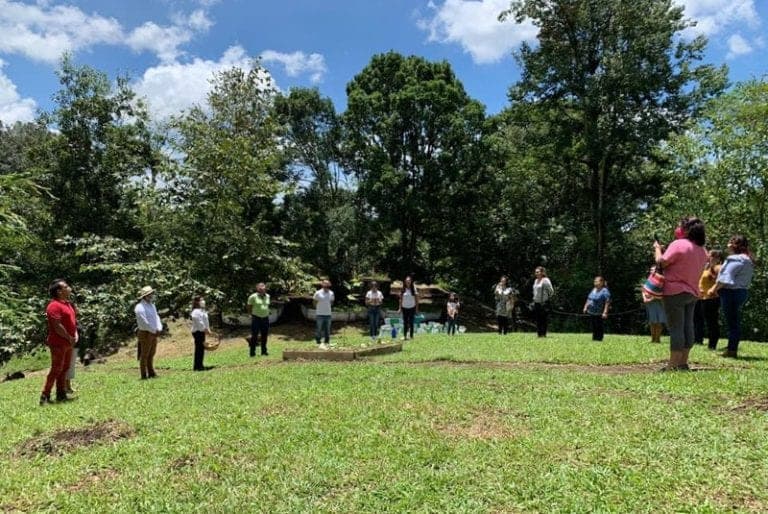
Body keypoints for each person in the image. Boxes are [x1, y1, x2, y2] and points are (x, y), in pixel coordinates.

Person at [653, 217, 708, 371]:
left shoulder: (678, 244)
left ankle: (672, 365)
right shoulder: (702, 250)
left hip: (674, 292)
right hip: (692, 293)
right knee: (687, 327)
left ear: (685, 229)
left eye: (679, 225)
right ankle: (683, 362)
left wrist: (657, 249)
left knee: (676, 327)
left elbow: (661, 262)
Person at [709, 235, 754, 358]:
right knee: (734, 321)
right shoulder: (748, 259)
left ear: (734, 245)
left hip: (731, 293)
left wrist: (713, 289)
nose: (727, 244)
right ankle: (731, 348)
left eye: (730, 242)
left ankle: (731, 350)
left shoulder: (734, 259)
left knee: (732, 322)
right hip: (742, 292)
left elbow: (725, 278)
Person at [40, 279, 77, 405]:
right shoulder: (53, 306)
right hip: (58, 343)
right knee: (56, 369)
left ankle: (61, 394)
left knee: (65, 368)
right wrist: (68, 337)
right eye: (66, 286)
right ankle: (45, 395)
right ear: (59, 291)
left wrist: (75, 334)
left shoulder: (68, 304)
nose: (69, 288)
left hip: (68, 343)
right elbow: (57, 326)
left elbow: (72, 322)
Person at [694, 249, 723, 349]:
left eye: (709, 255)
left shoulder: (718, 267)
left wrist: (713, 290)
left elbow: (721, 280)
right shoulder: (707, 267)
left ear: (716, 257)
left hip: (712, 298)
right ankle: (699, 339)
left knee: (712, 322)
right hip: (702, 298)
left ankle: (712, 345)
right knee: (702, 320)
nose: (707, 256)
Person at [135, 286, 163, 380]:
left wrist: (159, 327)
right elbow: (143, 322)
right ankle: (144, 374)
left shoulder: (152, 305)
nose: (151, 296)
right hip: (145, 333)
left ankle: (151, 372)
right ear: (145, 296)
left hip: (153, 332)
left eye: (151, 294)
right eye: (149, 294)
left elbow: (156, 317)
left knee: (152, 353)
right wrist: (153, 330)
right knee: (145, 354)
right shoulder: (139, 307)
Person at [642, 265, 666, 343]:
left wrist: (652, 297)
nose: (652, 271)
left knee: (659, 322)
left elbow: (663, 294)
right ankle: (653, 339)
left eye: (654, 269)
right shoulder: (651, 278)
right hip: (650, 303)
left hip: (659, 303)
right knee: (652, 322)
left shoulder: (664, 279)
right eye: (651, 269)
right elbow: (644, 288)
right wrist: (645, 298)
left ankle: (658, 339)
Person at [583, 276, 611, 341]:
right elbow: (589, 299)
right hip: (591, 311)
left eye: (596, 281)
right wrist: (585, 307)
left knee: (599, 326)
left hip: (599, 312)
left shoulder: (605, 291)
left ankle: (599, 339)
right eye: (594, 281)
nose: (595, 282)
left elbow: (607, 301)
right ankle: (594, 338)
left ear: (601, 282)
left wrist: (605, 312)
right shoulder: (593, 289)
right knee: (594, 326)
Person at [191, 295, 214, 371]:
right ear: (197, 302)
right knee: (199, 349)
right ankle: (197, 366)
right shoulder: (195, 311)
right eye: (201, 300)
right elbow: (198, 321)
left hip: (201, 331)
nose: (203, 301)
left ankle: (200, 365)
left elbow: (205, 321)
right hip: (198, 332)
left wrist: (208, 329)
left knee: (201, 348)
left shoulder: (202, 310)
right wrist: (205, 329)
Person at [247, 282, 270, 356]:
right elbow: (249, 307)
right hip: (256, 318)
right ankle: (252, 352)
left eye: (263, 289)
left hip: (265, 318)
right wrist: (251, 315)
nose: (262, 290)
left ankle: (264, 351)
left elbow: (267, 306)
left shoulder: (268, 296)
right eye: (260, 289)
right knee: (254, 335)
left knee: (264, 335)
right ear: (257, 289)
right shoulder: (253, 297)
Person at [532, 267, 554, 337]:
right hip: (536, 303)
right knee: (538, 319)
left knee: (543, 319)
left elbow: (551, 291)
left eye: (538, 272)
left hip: (543, 303)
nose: (536, 273)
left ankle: (543, 334)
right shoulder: (535, 281)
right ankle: (539, 334)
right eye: (536, 272)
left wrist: (546, 298)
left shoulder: (545, 280)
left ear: (542, 273)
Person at [313, 279, 335, 349]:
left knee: (327, 329)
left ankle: (327, 341)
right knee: (319, 329)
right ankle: (318, 341)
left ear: (329, 285)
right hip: (320, 314)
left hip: (328, 314)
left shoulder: (331, 293)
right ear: (322, 285)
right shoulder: (318, 293)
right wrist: (318, 309)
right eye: (325, 284)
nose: (326, 286)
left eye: (327, 284)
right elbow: (314, 302)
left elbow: (331, 302)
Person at [398, 275, 419, 340]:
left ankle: (411, 336)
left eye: (409, 281)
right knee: (405, 322)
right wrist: (399, 308)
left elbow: (416, 300)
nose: (408, 282)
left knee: (411, 322)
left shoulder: (414, 289)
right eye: (407, 281)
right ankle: (405, 336)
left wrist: (416, 309)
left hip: (412, 307)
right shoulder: (403, 289)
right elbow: (400, 299)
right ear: (405, 282)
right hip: (404, 308)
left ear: (411, 281)